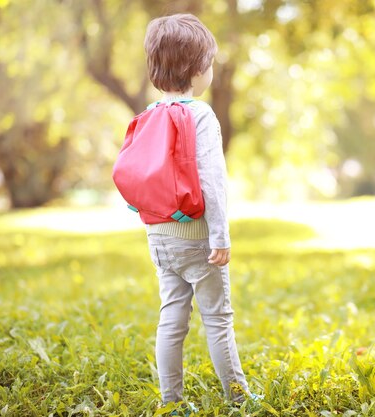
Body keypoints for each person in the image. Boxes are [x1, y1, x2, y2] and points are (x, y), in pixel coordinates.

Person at [139, 13, 252, 414]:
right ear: (198, 69)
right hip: (198, 240)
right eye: (210, 63)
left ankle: (171, 402)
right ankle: (239, 399)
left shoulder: (151, 114)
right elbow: (212, 181)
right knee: (218, 319)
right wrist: (220, 236)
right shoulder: (199, 114)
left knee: (171, 319)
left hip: (158, 237)